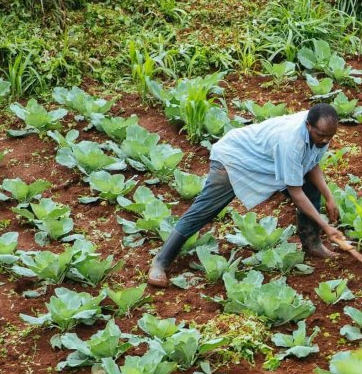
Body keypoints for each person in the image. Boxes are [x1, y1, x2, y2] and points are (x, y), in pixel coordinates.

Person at [147, 103, 346, 288]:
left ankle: (313, 244)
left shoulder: (322, 132)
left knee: (311, 186)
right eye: (321, 135)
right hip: (235, 159)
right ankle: (160, 262)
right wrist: (326, 226)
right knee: (204, 211)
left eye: (329, 137)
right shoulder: (291, 140)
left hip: (266, 162)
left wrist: (329, 196)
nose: (325, 140)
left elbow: (311, 163)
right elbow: (295, 193)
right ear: (308, 125)